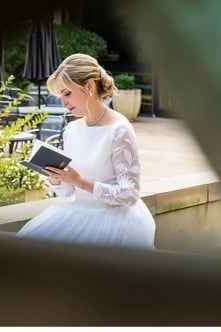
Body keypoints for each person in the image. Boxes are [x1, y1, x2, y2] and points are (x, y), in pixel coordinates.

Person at [16, 53, 156, 249]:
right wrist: (56, 176)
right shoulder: (72, 129)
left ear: (89, 86)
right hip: (76, 212)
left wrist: (80, 181)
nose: (63, 102)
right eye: (60, 95)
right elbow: (67, 191)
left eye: (67, 93)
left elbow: (129, 194)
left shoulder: (119, 130)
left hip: (116, 223)